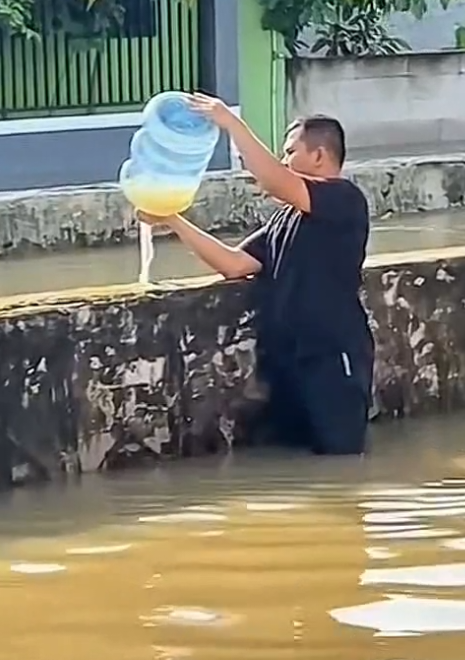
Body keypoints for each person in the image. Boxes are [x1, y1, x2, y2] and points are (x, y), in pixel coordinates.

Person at [135, 94, 374, 456]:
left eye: (290, 152)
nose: (284, 161)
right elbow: (235, 264)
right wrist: (171, 218)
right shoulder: (286, 217)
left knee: (340, 458)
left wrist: (231, 123)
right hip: (288, 359)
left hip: (331, 356)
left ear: (319, 155)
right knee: (300, 463)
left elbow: (276, 181)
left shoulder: (345, 199)